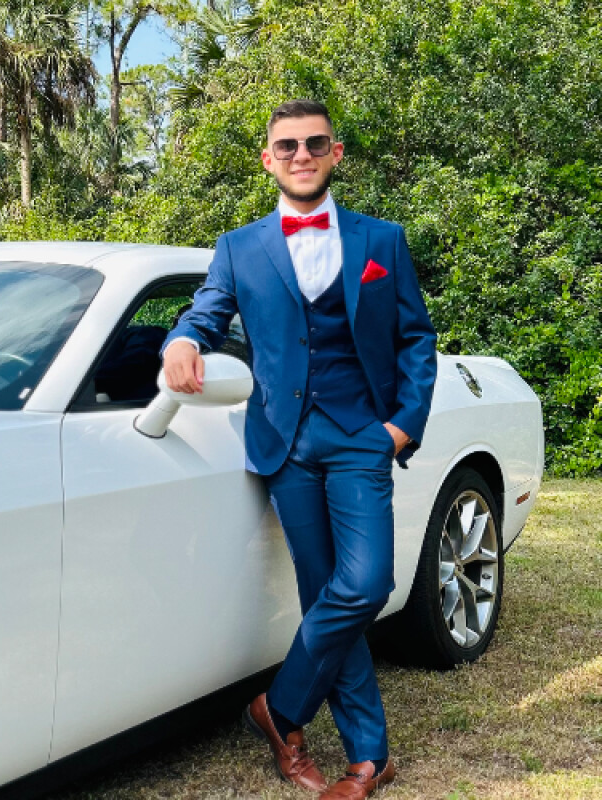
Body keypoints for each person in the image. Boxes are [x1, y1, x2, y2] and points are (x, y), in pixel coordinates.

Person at [162, 98, 437, 799]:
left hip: (360, 436)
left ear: (335, 152)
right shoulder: (238, 247)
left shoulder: (382, 240)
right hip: (283, 443)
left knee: (366, 584)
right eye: (287, 146)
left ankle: (280, 708)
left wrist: (401, 426)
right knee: (323, 593)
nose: (302, 155)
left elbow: (415, 338)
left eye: (315, 143)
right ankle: (369, 757)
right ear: (268, 160)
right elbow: (205, 312)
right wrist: (183, 341)